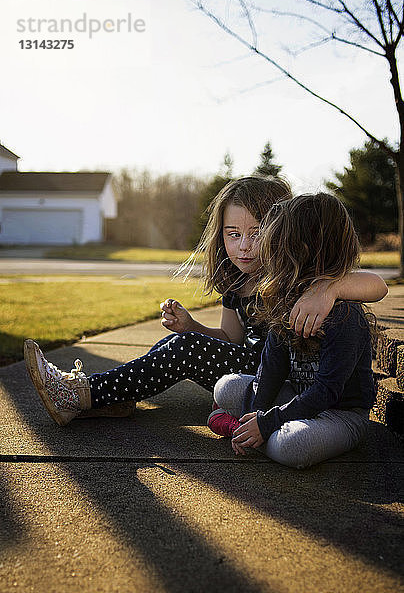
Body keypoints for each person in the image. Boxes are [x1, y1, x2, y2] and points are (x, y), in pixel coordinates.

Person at [24, 177, 387, 427]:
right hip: (253, 370)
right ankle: (110, 398)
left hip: (288, 376)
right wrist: (192, 327)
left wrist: (328, 289)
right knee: (176, 342)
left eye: (257, 233)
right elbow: (229, 339)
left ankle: (83, 393)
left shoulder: (296, 278)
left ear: (283, 231)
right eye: (234, 234)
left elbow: (377, 285)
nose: (244, 245)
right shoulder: (237, 283)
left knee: (185, 350)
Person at [208, 192, 381, 469]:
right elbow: (270, 368)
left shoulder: (344, 315)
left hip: (339, 415)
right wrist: (253, 416)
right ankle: (248, 431)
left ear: (301, 250)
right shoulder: (284, 297)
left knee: (294, 446)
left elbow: (328, 391)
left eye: (275, 245)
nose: (265, 251)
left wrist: (267, 423)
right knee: (226, 386)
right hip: (296, 397)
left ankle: (249, 433)